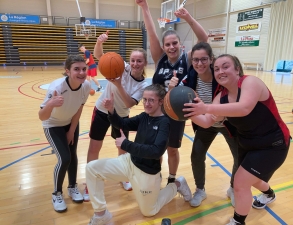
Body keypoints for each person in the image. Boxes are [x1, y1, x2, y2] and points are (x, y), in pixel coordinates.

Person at [183, 54, 290, 225]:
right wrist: (188, 112)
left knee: (240, 182)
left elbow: (244, 107)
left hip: (273, 144)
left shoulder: (250, 83)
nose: (220, 71)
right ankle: (269, 194)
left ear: (237, 69)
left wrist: (206, 106)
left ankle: (238, 221)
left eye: (225, 66)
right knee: (252, 179)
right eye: (216, 69)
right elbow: (206, 122)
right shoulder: (221, 97)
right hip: (247, 144)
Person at [86, 84, 192, 225]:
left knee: (149, 211)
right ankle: (101, 215)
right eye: (145, 99)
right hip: (129, 162)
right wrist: (111, 110)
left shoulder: (164, 123)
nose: (146, 104)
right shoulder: (144, 116)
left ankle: (177, 185)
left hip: (147, 172)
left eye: (151, 100)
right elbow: (122, 123)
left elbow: (156, 152)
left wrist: (126, 144)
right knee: (92, 168)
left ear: (161, 102)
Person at [136, 0, 208, 185]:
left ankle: (171, 179)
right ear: (163, 46)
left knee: (172, 149)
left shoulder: (188, 58)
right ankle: (155, 175)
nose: (171, 47)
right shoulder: (159, 58)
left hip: (176, 113)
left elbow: (204, 39)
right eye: (167, 44)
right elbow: (152, 32)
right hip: (157, 112)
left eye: (174, 43)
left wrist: (188, 18)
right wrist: (144, 7)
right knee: (155, 148)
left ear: (180, 44)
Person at [169, 42, 239, 207]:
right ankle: (200, 190)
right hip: (206, 124)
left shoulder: (220, 77)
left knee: (239, 158)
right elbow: (177, 95)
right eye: (196, 60)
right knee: (197, 156)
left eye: (204, 59)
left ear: (211, 59)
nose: (199, 63)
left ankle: (233, 189)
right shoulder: (191, 76)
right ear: (192, 61)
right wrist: (171, 89)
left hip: (229, 123)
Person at [83, 32, 149, 201]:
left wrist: (118, 84)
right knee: (94, 148)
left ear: (144, 63)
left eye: (139, 61)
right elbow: (99, 56)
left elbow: (128, 104)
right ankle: (90, 183)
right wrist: (99, 42)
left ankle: (123, 176)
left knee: (122, 148)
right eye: (133, 60)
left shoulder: (142, 85)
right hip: (102, 111)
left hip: (121, 116)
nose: (134, 63)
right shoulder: (122, 66)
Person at [38, 55, 91, 212]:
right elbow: (42, 116)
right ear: (67, 71)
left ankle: (72, 187)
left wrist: (72, 130)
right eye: (76, 69)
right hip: (52, 124)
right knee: (64, 158)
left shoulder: (86, 86)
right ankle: (57, 193)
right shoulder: (57, 87)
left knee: (73, 155)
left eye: (84, 69)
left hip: (70, 123)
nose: (81, 72)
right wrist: (51, 104)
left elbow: (79, 107)